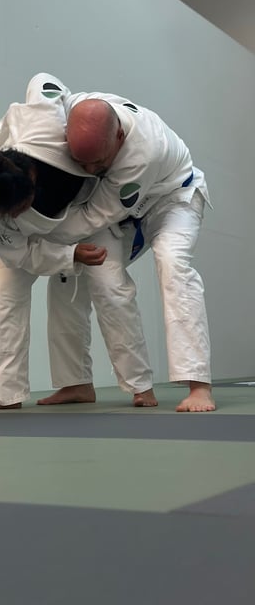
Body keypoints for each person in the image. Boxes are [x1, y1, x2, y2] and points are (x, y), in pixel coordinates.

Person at [0, 73, 157, 411]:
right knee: (4, 300)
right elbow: (22, 254)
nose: (12, 214)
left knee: (111, 288)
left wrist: (75, 114)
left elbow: (42, 80)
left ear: (32, 180)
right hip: (31, 245)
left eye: (17, 207)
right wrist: (70, 255)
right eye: (7, 212)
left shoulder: (41, 127)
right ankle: (7, 394)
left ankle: (140, 385)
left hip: (84, 214)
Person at [56, 91, 215, 412]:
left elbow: (92, 216)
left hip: (173, 198)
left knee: (172, 262)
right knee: (73, 271)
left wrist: (36, 239)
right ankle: (77, 382)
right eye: (82, 162)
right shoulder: (75, 107)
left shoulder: (143, 152)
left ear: (119, 135)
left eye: (98, 162)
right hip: (122, 210)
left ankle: (199, 385)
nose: (90, 168)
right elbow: (45, 90)